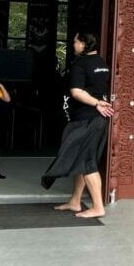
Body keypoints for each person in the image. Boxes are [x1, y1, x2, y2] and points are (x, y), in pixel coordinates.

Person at [42, 32, 113, 218]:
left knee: (88, 162)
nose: (73, 44)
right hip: (98, 119)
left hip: (86, 119)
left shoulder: (80, 64)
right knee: (82, 159)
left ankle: (98, 207)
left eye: (75, 41)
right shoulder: (102, 63)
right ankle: (75, 201)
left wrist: (96, 103)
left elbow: (76, 92)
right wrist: (99, 103)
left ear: (83, 44)